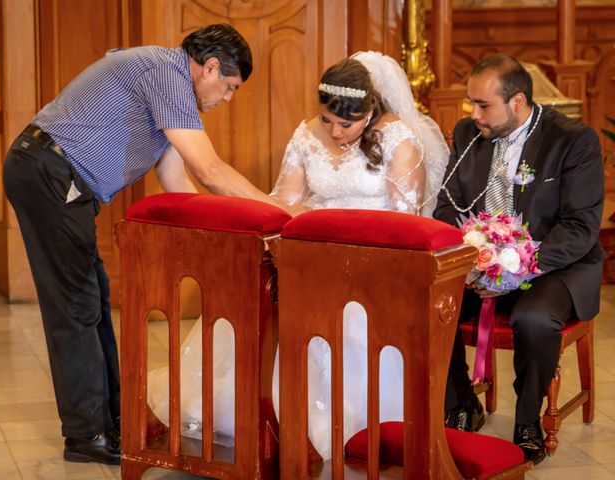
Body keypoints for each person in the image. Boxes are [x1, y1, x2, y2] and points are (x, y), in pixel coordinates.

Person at [2, 23, 293, 466]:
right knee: (76, 307)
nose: (227, 99)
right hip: (48, 171)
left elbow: (175, 179)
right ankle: (87, 434)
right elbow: (209, 170)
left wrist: (220, 236)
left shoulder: (170, 83)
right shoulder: (167, 72)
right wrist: (278, 212)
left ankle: (112, 421)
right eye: (229, 87)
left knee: (93, 298)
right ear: (210, 67)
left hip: (55, 176)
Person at [147, 51, 450, 460]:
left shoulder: (400, 140)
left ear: (371, 111)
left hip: (372, 259)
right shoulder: (308, 135)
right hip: (309, 251)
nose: (335, 131)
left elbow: (405, 218)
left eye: (347, 124)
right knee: (267, 302)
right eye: (327, 120)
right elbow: (283, 201)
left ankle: (352, 424)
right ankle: (270, 416)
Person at [433, 54, 605, 465]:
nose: (472, 114)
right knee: (433, 304)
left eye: (482, 104)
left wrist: (517, 267)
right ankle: (460, 403)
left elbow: (580, 226)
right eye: (470, 103)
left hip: (554, 265)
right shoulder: (468, 133)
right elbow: (446, 207)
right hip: (480, 263)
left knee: (533, 318)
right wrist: (473, 257)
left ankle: (526, 418)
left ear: (517, 101)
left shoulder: (571, 140)